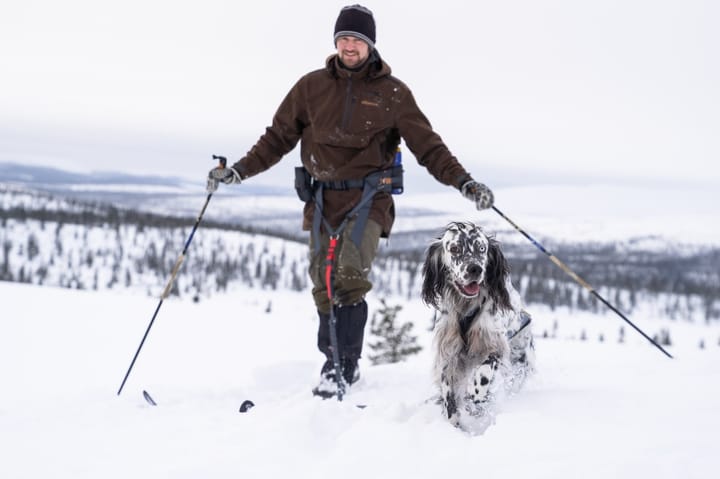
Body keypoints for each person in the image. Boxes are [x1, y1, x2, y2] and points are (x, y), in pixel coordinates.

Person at [207, 4, 494, 398]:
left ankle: (342, 367)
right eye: (343, 39)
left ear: (369, 45)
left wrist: (464, 182)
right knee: (322, 283)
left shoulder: (393, 93)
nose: (348, 46)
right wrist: (239, 170)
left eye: (356, 40)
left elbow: (428, 146)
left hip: (368, 197)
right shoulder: (310, 87)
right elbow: (276, 138)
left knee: (349, 276)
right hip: (322, 197)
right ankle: (333, 355)